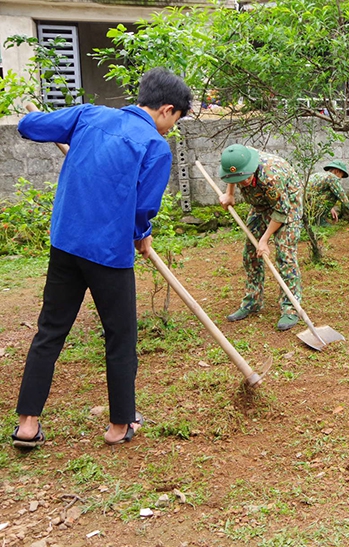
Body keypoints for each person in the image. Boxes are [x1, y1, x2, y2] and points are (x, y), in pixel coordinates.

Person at [12, 67, 192, 448]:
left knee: (50, 330)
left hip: (66, 244)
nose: (171, 129)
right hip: (109, 254)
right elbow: (144, 207)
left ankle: (27, 424)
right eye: (175, 120)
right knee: (120, 337)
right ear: (167, 110)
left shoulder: (89, 115)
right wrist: (142, 235)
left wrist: (35, 118)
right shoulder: (155, 146)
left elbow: (29, 127)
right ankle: (119, 425)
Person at [218, 144, 304, 331]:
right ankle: (253, 301)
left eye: (246, 177)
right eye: (239, 179)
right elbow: (231, 175)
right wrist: (229, 194)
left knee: (285, 256)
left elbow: (281, 212)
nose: (244, 182)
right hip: (260, 206)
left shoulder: (272, 176)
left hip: (287, 209)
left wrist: (264, 240)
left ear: (252, 168)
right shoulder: (239, 159)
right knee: (250, 254)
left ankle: (291, 308)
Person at [304, 160, 349, 225]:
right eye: (341, 175)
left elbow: (318, 192)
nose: (340, 178)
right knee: (335, 193)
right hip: (313, 209)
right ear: (337, 171)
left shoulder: (316, 175)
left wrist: (330, 208)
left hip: (303, 207)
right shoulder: (332, 178)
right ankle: (319, 220)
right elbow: (344, 199)